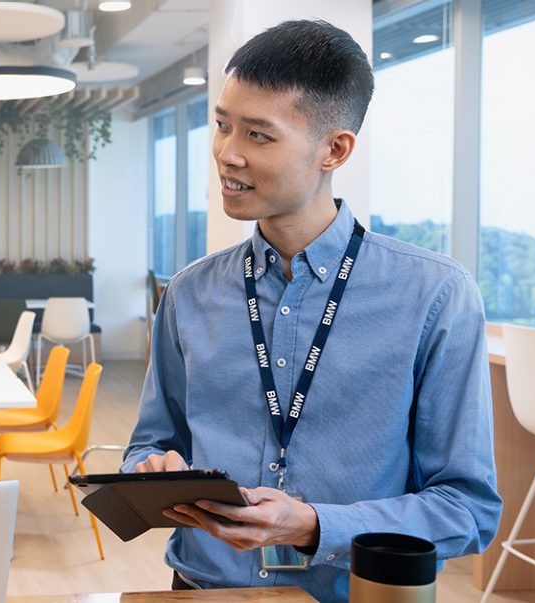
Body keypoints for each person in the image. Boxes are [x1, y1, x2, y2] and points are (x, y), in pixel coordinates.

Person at [121, 20, 501, 601]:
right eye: (222, 126)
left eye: (258, 135)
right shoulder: (189, 293)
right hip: (200, 588)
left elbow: (467, 509)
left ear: (335, 149)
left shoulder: (435, 296)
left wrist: (315, 526)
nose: (228, 154)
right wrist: (150, 473)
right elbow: (148, 446)